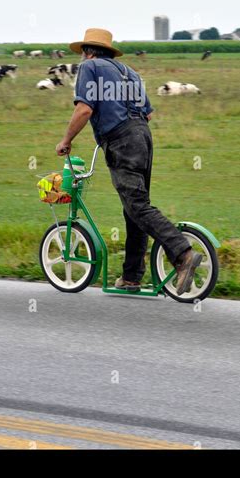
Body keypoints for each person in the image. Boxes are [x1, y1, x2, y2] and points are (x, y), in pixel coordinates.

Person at [55, 27, 202, 295]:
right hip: (143, 138)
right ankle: (132, 276)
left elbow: (85, 108)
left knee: (137, 206)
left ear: (87, 51)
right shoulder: (129, 72)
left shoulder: (90, 68)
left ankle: (183, 253)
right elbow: (147, 115)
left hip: (121, 140)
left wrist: (66, 140)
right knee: (133, 208)